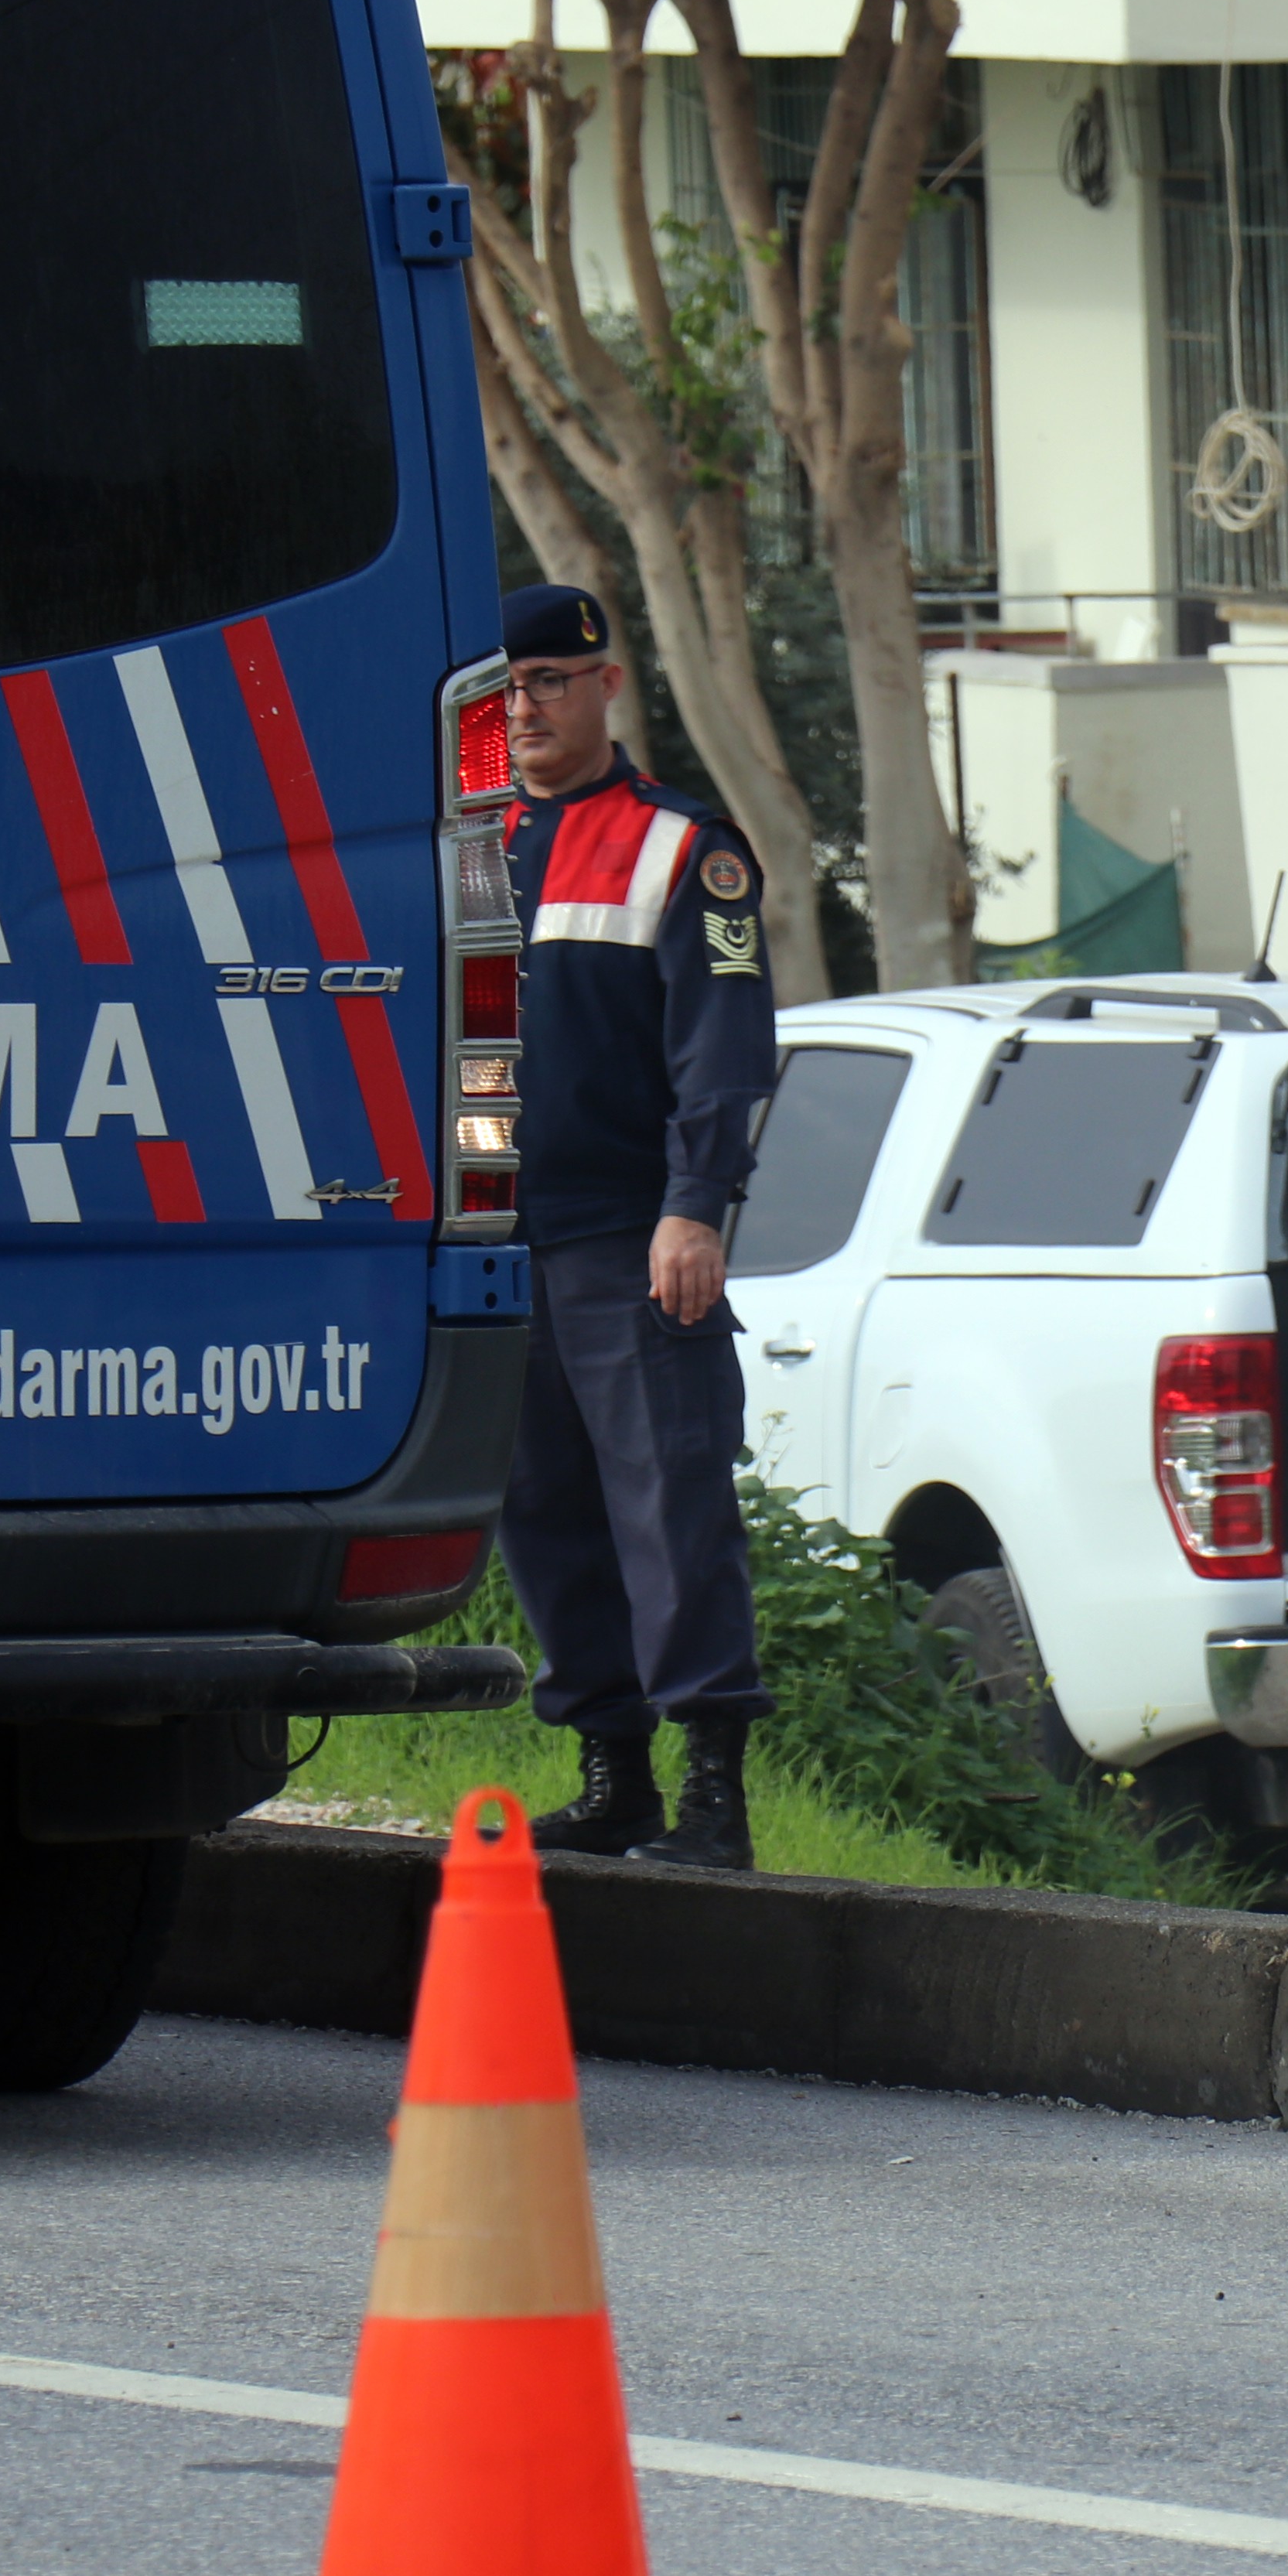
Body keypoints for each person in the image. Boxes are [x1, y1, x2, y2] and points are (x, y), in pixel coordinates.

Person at [492, 583, 781, 1870]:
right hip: (498, 1241)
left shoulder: (680, 845)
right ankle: (615, 1777)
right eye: (507, 687)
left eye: (551, 679)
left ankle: (714, 1795)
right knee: (542, 1511)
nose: (527, 707)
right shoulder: (470, 844)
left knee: (670, 1504)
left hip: (629, 1234)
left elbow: (723, 1049)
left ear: (606, 684)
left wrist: (694, 1206)